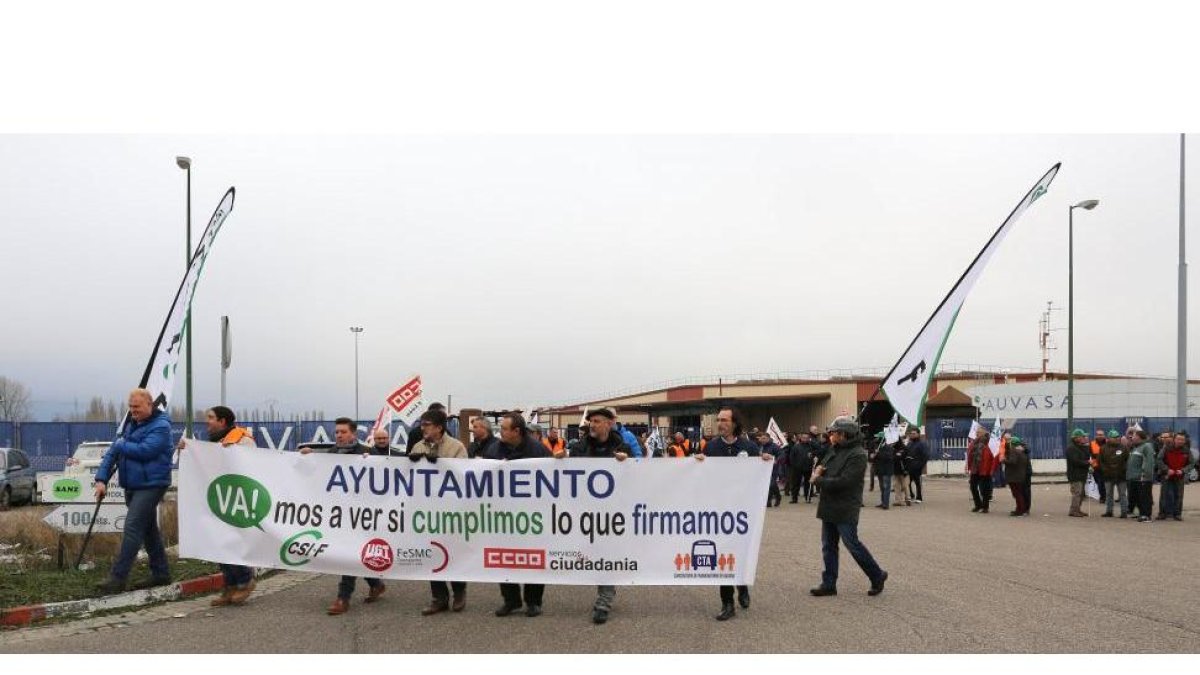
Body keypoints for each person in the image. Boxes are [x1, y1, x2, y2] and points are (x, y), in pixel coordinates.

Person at [301, 418, 388, 614]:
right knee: (350, 553)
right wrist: (310, 456)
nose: (338, 435)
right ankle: (375, 583)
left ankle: (343, 598)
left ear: (353, 434)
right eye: (337, 432)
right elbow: (319, 471)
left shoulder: (367, 452)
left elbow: (384, 478)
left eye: (343, 432)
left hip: (362, 514)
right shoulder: (332, 453)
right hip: (340, 514)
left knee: (349, 553)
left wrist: (372, 462)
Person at [693, 408, 773, 621]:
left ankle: (742, 585)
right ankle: (727, 602)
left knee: (741, 551)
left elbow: (757, 476)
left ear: (734, 423)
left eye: (724, 420)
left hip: (742, 512)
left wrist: (763, 461)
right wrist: (697, 464)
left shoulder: (749, 447)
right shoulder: (710, 447)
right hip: (719, 513)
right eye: (718, 420)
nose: (720, 423)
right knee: (723, 555)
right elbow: (703, 478)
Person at [93, 388, 174, 594]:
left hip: (152, 484)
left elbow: (146, 451)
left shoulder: (161, 426)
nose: (133, 411)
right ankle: (161, 573)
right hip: (132, 485)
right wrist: (101, 479)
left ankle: (118, 578)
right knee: (148, 530)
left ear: (149, 405)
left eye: (136, 407)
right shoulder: (130, 424)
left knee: (132, 527)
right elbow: (112, 453)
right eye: (130, 407)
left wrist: (121, 445)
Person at [560, 407, 631, 624]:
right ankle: (605, 590)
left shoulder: (622, 446)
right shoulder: (580, 447)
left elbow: (641, 470)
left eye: (597, 421)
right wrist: (560, 460)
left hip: (612, 512)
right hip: (586, 511)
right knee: (591, 551)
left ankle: (604, 599)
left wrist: (627, 462)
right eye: (591, 421)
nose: (592, 424)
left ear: (609, 424)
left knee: (605, 552)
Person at [810, 416, 887, 598]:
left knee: (852, 544)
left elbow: (846, 481)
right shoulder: (834, 449)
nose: (831, 435)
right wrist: (820, 469)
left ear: (844, 434)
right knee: (828, 546)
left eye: (834, 433)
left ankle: (877, 575)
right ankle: (829, 584)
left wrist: (819, 480)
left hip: (845, 505)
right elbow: (825, 465)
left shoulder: (858, 454)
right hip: (829, 504)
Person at [486, 413, 552, 617]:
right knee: (505, 557)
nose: (501, 432)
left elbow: (553, 478)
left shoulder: (538, 450)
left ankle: (533, 601)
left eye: (505, 428)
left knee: (533, 557)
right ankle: (511, 600)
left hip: (532, 514)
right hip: (503, 514)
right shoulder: (495, 449)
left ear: (517, 431)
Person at [409, 408, 470, 614]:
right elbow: (410, 478)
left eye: (426, 425)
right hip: (427, 512)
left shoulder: (456, 447)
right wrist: (413, 462)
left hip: (451, 511)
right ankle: (439, 597)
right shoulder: (418, 446)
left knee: (453, 552)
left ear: (439, 427)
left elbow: (463, 476)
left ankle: (459, 592)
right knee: (432, 553)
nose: (422, 428)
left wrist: (441, 466)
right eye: (422, 424)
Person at [200, 406, 258, 605]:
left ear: (222, 421)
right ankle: (230, 584)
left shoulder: (243, 440)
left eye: (210, 418)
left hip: (237, 499)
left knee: (233, 541)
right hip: (219, 498)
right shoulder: (213, 443)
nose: (207, 421)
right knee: (219, 542)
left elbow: (251, 468)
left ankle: (245, 580)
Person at [1157, 432, 1195, 521]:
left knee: (1179, 495)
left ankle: (1177, 514)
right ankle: (1162, 513)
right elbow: (1159, 459)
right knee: (1164, 495)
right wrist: (1166, 469)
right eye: (1178, 439)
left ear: (1185, 441)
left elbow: (1192, 463)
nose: (1180, 441)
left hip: (1179, 476)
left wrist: (1183, 470)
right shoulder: (1166, 448)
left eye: (1182, 440)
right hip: (1167, 475)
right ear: (1174, 439)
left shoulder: (1186, 450)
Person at [1127, 430, 1156, 522]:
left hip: (1143, 478)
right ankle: (1141, 513)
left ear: (1139, 437)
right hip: (1134, 478)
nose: (1132, 437)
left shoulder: (1147, 446)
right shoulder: (1136, 447)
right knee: (1138, 497)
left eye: (1134, 436)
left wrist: (1145, 475)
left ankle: (1146, 515)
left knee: (1145, 497)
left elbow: (1149, 462)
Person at [1098, 430, 1129, 518]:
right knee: (1108, 494)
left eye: (1117, 437)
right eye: (1114, 437)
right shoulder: (1103, 448)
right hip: (1108, 475)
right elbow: (1100, 461)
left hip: (1121, 475)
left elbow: (1127, 460)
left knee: (1122, 494)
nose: (1116, 439)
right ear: (1109, 438)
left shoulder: (1124, 447)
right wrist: (1105, 470)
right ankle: (1109, 511)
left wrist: (1124, 469)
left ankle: (1124, 512)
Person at [966, 426, 997, 513]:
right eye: (976, 432)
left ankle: (985, 507)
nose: (976, 434)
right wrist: (968, 465)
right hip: (975, 468)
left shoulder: (990, 442)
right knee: (973, 486)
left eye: (978, 432)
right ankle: (978, 505)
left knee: (985, 489)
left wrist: (992, 469)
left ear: (984, 433)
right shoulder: (974, 442)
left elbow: (993, 456)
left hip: (985, 468)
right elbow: (970, 454)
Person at [1066, 429, 1092, 517]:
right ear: (1076, 438)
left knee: (1080, 493)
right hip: (1075, 474)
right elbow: (1075, 461)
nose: (1084, 438)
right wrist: (1087, 463)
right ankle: (1073, 510)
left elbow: (1086, 455)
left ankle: (1077, 509)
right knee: (1077, 493)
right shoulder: (1071, 448)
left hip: (1081, 474)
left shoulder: (1081, 447)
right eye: (1083, 437)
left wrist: (1085, 445)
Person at [1002, 436, 1031, 516]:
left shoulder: (1014, 451)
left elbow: (1012, 461)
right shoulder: (1022, 451)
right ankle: (1020, 509)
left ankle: (1020, 510)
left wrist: (1004, 460)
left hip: (1014, 476)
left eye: (1009, 441)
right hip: (1020, 475)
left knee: (1017, 494)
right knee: (1019, 493)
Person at [759, 431, 783, 507]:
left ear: (769, 438)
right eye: (761, 438)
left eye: (764, 438)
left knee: (770, 485)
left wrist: (776, 460)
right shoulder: (760, 446)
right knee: (772, 485)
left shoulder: (774, 446)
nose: (762, 440)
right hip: (762, 469)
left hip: (773, 468)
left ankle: (768, 501)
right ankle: (778, 496)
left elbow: (782, 455)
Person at [871, 432, 894, 509]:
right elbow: (873, 459)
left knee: (886, 487)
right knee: (882, 487)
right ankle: (883, 501)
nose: (876, 439)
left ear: (882, 439)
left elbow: (889, 457)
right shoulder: (877, 447)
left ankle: (886, 504)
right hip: (880, 471)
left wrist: (878, 454)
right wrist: (872, 456)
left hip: (886, 471)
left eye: (878, 438)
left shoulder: (889, 447)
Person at [905, 427, 929, 503]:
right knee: (907, 482)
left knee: (917, 482)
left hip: (917, 466)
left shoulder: (922, 444)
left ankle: (919, 497)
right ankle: (911, 495)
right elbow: (906, 452)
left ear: (918, 434)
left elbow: (925, 456)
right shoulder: (909, 443)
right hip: (909, 466)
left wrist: (920, 466)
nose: (912, 435)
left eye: (914, 433)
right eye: (911, 433)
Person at [891, 437, 911, 507]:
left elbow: (903, 458)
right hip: (895, 470)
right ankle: (898, 501)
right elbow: (892, 458)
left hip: (903, 470)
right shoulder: (893, 449)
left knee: (905, 485)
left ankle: (908, 499)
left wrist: (897, 455)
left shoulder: (904, 448)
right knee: (896, 486)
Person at [1090, 429, 1108, 503]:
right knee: (1099, 483)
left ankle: (1103, 497)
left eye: (1101, 435)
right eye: (1098, 435)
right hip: (1096, 467)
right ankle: (1103, 496)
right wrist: (1091, 465)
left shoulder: (1108, 443)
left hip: (1106, 467)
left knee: (1103, 483)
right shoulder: (1092, 444)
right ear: (1096, 436)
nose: (1100, 436)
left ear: (1104, 435)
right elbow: (1089, 455)